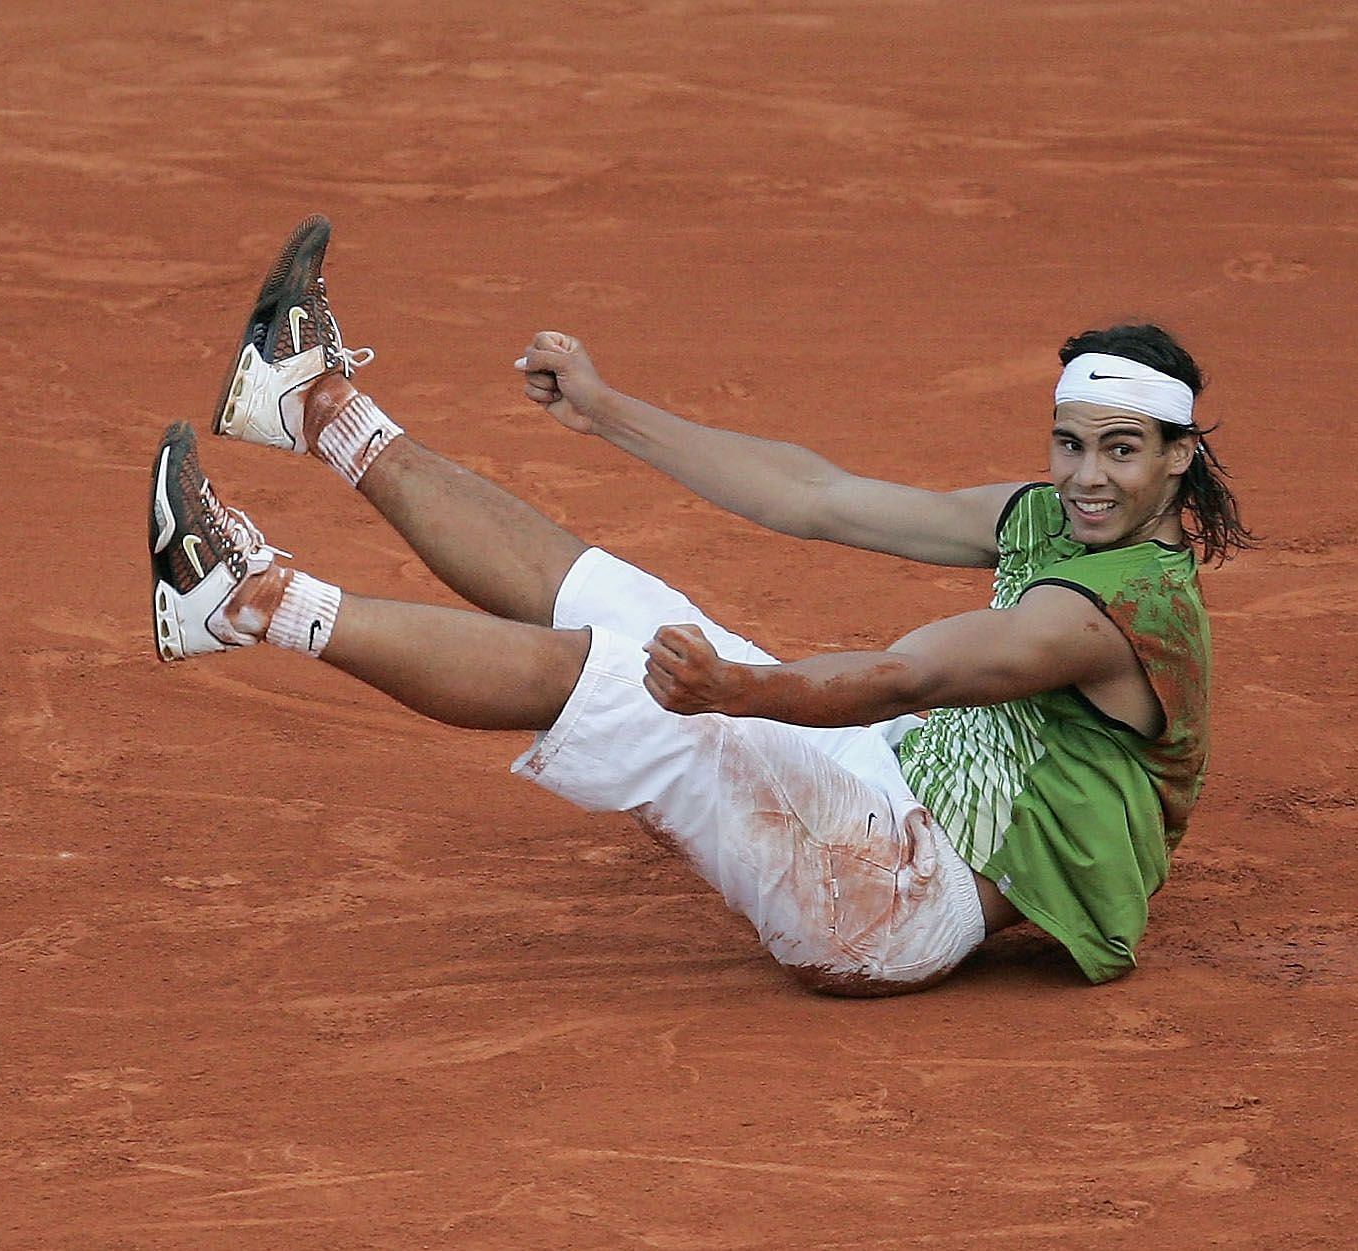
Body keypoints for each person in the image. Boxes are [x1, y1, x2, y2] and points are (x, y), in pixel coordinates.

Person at [149, 214, 1251, 996]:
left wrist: (739, 692)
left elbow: (908, 673)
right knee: (615, 596)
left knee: (619, 677)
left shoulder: (1114, 612)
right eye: (1071, 445)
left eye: (1121, 452)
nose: (1087, 477)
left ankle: (243, 600)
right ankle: (314, 407)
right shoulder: (1050, 513)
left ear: (1177, 458)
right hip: (902, 783)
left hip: (896, 898)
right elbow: (819, 496)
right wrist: (608, 410)